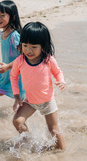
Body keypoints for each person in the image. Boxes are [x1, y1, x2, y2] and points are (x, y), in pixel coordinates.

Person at [10, 22, 66, 150]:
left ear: (43, 46)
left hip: (47, 101)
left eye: (33, 47)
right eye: (25, 46)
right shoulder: (20, 61)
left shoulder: (48, 60)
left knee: (54, 130)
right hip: (30, 101)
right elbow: (13, 76)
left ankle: (62, 153)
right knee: (17, 121)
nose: (28, 50)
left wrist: (61, 81)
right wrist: (16, 95)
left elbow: (58, 72)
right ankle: (29, 139)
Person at [0, 0, 25, 99]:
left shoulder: (14, 36)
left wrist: (8, 66)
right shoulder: (3, 33)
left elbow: (24, 56)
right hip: (6, 71)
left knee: (21, 98)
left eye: (2, 15)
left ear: (13, 17)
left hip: (16, 71)